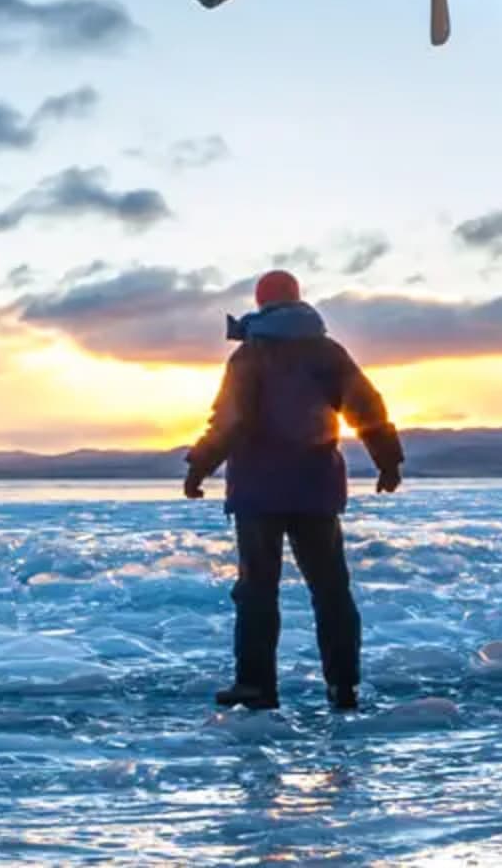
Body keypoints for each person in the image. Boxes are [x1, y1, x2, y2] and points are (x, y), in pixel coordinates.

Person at [182, 268, 403, 711]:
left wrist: (199, 465)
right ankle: (343, 687)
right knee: (331, 590)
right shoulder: (328, 352)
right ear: (297, 300)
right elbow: (367, 407)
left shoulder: (250, 355)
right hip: (314, 488)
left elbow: (230, 420)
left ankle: (256, 685)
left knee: (257, 590)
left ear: (261, 303)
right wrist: (388, 458)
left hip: (258, 492)